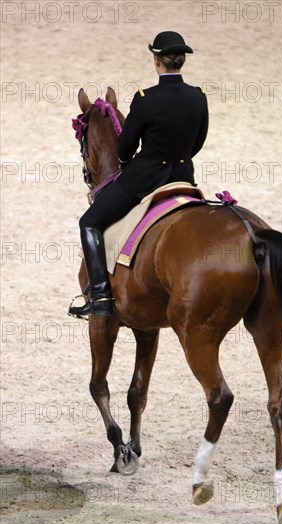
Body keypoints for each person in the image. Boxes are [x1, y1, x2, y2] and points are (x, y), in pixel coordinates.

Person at [69, 31, 209, 318]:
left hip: (145, 179)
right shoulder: (198, 97)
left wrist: (124, 159)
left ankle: (100, 298)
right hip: (183, 176)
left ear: (157, 60)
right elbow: (198, 142)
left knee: (89, 222)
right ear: (181, 62)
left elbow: (125, 148)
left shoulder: (145, 99)